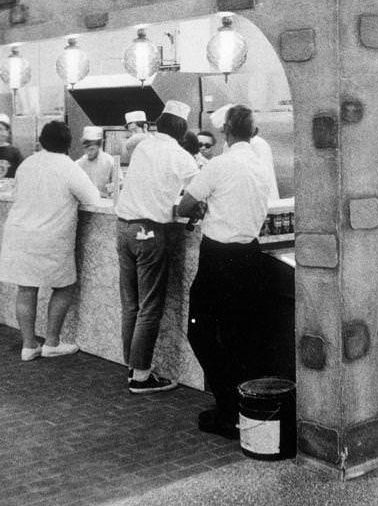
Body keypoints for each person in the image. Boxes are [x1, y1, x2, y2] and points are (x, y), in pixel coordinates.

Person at [178, 104, 271, 439]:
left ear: (226, 131)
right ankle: (243, 409)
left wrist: (204, 206)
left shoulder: (219, 165)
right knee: (240, 335)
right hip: (250, 257)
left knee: (201, 332)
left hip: (218, 258)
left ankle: (228, 409)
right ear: (254, 132)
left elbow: (185, 205)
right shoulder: (260, 167)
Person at [0, 120, 102, 361]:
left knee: (26, 288)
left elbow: (16, 193)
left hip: (20, 234)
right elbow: (93, 198)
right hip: (51, 237)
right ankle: (52, 342)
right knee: (63, 287)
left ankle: (28, 345)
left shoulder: (27, 163)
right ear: (69, 144)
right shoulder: (69, 167)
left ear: (42, 141)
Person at [115, 100, 198, 394]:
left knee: (131, 305)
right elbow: (198, 193)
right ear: (182, 130)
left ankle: (132, 366)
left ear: (159, 124)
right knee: (149, 307)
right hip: (149, 232)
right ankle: (140, 376)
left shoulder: (143, 146)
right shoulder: (181, 156)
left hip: (123, 228)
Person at [210, 103, 280, 202]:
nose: (224, 135)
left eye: (224, 131)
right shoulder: (227, 145)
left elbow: (266, 176)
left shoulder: (259, 144)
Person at [77, 125, 114, 196]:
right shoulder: (79, 163)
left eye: (92, 149)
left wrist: (113, 186)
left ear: (99, 146)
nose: (88, 152)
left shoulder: (109, 161)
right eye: (85, 149)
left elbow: (119, 183)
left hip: (104, 200)